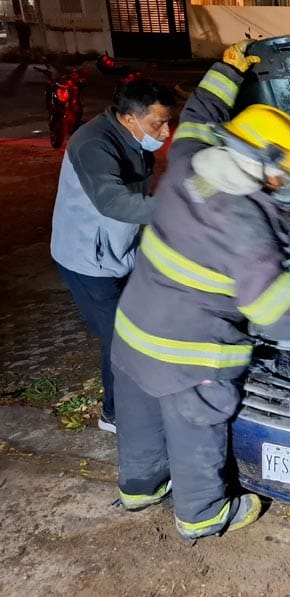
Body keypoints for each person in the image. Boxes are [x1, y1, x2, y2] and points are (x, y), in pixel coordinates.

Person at [108, 40, 290, 541]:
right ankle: (204, 515)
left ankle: (140, 489)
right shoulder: (247, 221)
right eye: (283, 167)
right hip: (189, 356)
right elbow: (274, 311)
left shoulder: (189, 157)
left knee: (140, 419)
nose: (283, 178)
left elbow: (199, 114)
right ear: (266, 161)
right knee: (196, 429)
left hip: (133, 331)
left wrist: (226, 71)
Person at [50, 78, 176, 433]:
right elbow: (114, 202)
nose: (166, 132)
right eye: (158, 124)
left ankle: (142, 395)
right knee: (121, 338)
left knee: (143, 324)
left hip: (123, 251)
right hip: (88, 261)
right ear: (130, 118)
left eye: (168, 122)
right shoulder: (93, 144)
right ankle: (114, 413)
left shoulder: (134, 137)